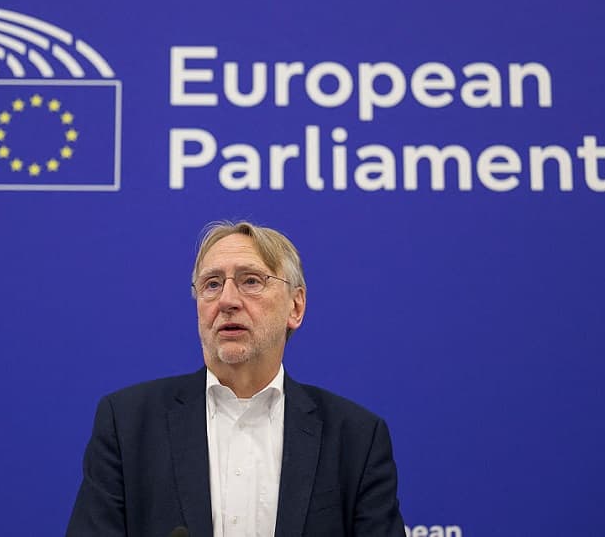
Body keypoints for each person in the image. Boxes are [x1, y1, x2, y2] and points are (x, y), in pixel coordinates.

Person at [67, 220, 405, 536]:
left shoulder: (356, 438)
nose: (227, 300)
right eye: (212, 284)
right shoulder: (127, 424)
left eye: (251, 281)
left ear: (296, 307)